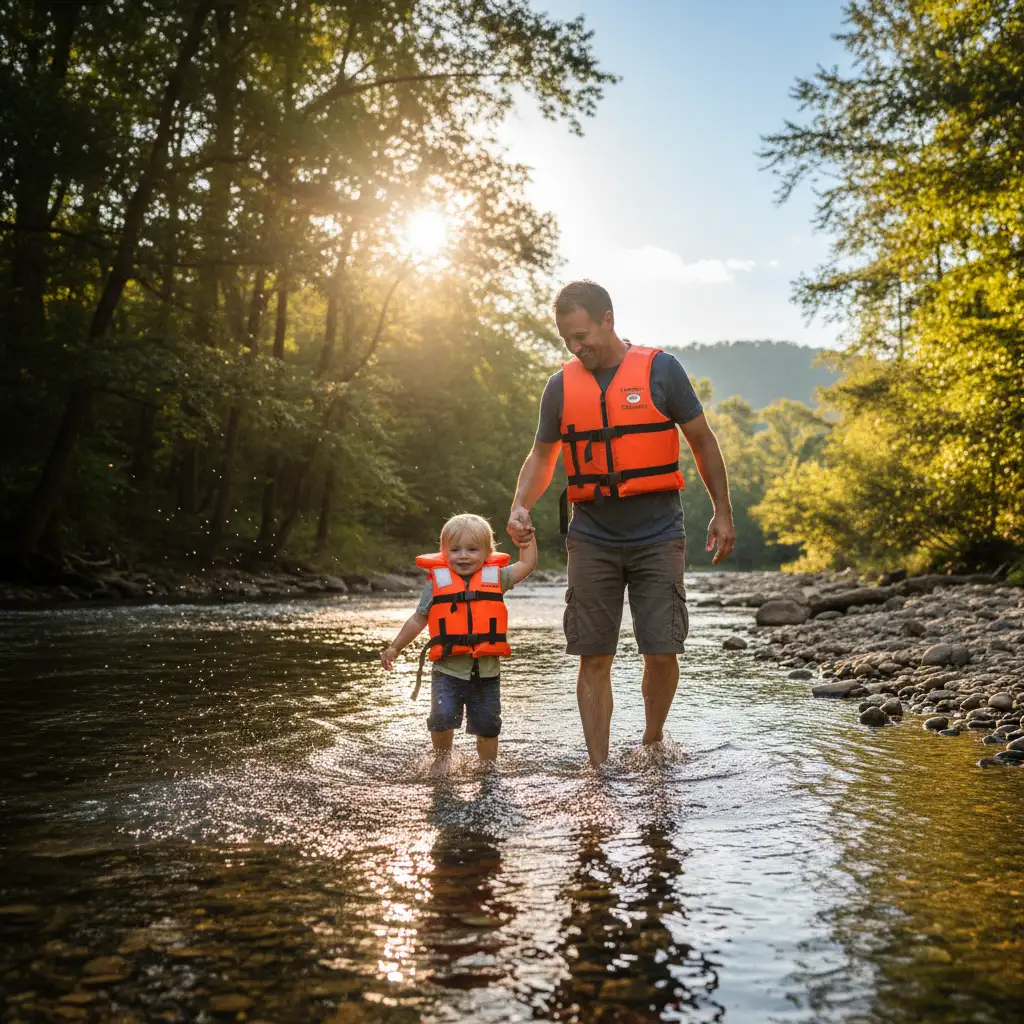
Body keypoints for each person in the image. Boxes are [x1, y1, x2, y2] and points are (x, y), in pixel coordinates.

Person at [506, 280, 735, 766]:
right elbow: (543, 456)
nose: (576, 345)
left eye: (582, 334)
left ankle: (652, 742)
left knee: (661, 649)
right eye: (568, 338)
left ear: (608, 318)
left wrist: (722, 510)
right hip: (591, 535)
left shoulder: (662, 371)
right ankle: (598, 768)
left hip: (658, 533)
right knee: (593, 655)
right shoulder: (560, 386)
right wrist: (519, 504)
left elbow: (702, 440)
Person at [380, 513, 537, 762]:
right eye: (455, 550)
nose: (463, 555)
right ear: (444, 553)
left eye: (472, 549)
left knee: (487, 724)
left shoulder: (497, 577)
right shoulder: (437, 583)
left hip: (486, 673)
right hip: (447, 671)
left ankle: (487, 768)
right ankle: (442, 761)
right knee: (441, 718)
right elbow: (419, 618)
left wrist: (527, 538)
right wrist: (395, 647)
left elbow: (527, 565)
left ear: (487, 553)